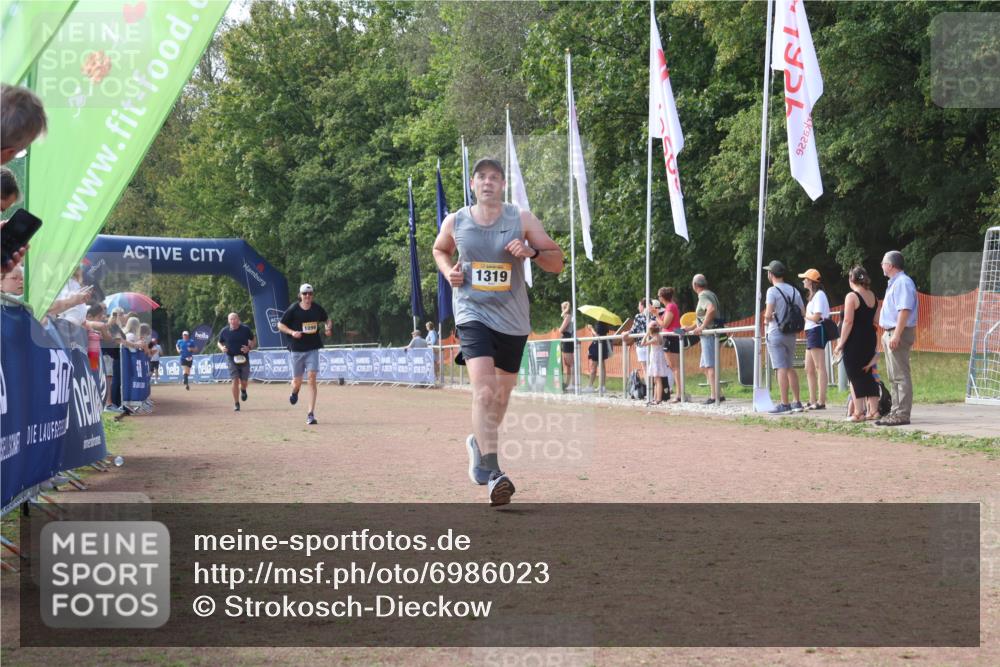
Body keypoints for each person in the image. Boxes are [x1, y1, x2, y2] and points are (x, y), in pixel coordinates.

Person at [432, 156, 564, 507]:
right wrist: (448, 271)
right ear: (472, 184)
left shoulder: (521, 219)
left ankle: (479, 443)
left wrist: (531, 251)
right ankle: (492, 471)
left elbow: (557, 262)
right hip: (472, 313)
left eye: (494, 177)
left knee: (501, 397)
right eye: (481, 177)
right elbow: (440, 249)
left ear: (503, 184)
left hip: (512, 319)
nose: (488, 182)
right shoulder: (456, 220)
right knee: (485, 390)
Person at [278, 283, 332, 425]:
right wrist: (292, 332)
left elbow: (327, 319)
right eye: (304, 293)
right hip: (296, 349)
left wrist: (328, 328)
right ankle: (295, 391)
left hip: (312, 348)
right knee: (297, 382)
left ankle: (310, 414)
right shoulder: (293, 309)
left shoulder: (317, 308)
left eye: (310, 293)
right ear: (300, 295)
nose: (307, 296)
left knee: (312, 378)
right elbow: (280, 325)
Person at [877, 250, 918, 426]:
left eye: (883, 262)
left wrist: (897, 334)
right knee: (893, 376)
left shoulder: (902, 282)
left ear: (891, 265)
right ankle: (895, 411)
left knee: (900, 375)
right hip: (891, 331)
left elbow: (904, 310)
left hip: (897, 331)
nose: (881, 265)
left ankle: (902, 414)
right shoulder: (895, 283)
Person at [834, 267, 880, 422]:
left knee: (854, 375)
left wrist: (841, 343)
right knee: (869, 374)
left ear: (851, 279)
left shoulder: (851, 296)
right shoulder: (873, 296)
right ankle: (874, 411)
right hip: (870, 338)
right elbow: (876, 320)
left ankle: (858, 412)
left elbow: (848, 321)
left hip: (854, 340)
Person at [762, 260, 805, 414]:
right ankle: (797, 402)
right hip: (791, 334)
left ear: (771, 274)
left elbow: (768, 314)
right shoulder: (794, 290)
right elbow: (802, 312)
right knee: (789, 367)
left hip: (776, 332)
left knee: (780, 368)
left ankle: (784, 404)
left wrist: (767, 318)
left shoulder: (772, 291)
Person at [684, 274, 725, 405]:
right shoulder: (710, 294)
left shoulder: (703, 296)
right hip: (711, 333)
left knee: (710, 366)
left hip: (708, 335)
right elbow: (703, 316)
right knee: (704, 366)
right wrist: (690, 327)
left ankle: (714, 396)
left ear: (695, 285)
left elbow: (711, 310)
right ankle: (719, 393)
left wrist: (702, 327)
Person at [798, 269, 830, 410]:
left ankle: (821, 401)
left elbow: (817, 317)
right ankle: (812, 400)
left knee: (819, 366)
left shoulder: (819, 295)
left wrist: (804, 315)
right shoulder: (813, 296)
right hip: (811, 331)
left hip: (817, 330)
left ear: (811, 281)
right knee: (809, 368)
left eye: (805, 279)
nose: (803, 281)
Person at [218, 312, 256, 412]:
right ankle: (236, 403)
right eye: (231, 319)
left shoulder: (245, 329)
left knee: (244, 382)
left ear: (238, 319)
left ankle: (243, 389)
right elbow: (219, 342)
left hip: (244, 358)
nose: (233, 321)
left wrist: (249, 348)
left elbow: (253, 340)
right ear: (228, 321)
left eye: (234, 319)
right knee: (234, 380)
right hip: (231, 357)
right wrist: (222, 348)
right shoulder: (224, 331)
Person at [657, 286, 682, 402]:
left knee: (674, 367)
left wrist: (656, 315)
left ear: (662, 297)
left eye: (659, 296)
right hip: (671, 337)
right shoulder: (671, 306)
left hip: (671, 337)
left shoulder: (670, 306)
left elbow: (665, 324)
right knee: (673, 367)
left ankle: (679, 394)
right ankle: (679, 393)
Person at [642, 321, 669, 404]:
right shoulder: (660, 336)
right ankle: (655, 398)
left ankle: (658, 399)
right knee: (656, 380)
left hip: (656, 359)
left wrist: (646, 334)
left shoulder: (655, 339)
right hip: (659, 358)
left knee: (658, 380)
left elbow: (643, 343)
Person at [624, 298, 651, 379]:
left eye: (639, 305)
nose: (638, 307)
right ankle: (654, 385)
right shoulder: (653, 315)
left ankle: (648, 386)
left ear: (642, 306)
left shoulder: (638, 316)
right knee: (652, 368)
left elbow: (634, 330)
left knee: (645, 368)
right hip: (652, 343)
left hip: (641, 344)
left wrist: (626, 333)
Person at [586, 320, 612, 393]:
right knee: (602, 366)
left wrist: (591, 329)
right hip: (602, 346)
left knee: (593, 367)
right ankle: (602, 386)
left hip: (597, 347)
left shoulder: (599, 324)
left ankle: (590, 386)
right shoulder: (604, 324)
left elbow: (597, 336)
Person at [558, 301, 575, 391]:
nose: (561, 310)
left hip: (568, 340)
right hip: (566, 339)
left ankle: (573, 383)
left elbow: (561, 329)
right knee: (568, 364)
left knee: (571, 363)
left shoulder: (568, 317)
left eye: (562, 308)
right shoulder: (568, 317)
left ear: (564, 309)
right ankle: (568, 383)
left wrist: (560, 330)